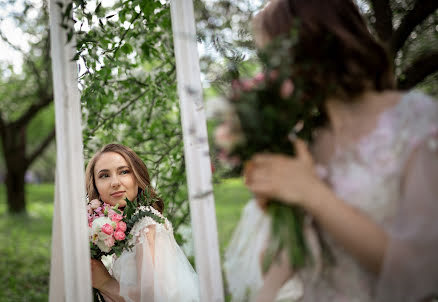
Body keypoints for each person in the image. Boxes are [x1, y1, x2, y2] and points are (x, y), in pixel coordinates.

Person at [233, 0, 438, 301]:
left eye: (275, 57)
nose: (270, 75)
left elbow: (423, 274)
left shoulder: (414, 120)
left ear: (314, 43)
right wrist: (279, 213)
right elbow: (279, 266)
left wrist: (311, 193)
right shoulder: (307, 141)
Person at [85, 144, 200, 302]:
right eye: (104, 175)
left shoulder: (146, 224)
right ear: (96, 186)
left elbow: (153, 298)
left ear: (137, 178)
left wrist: (104, 283)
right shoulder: (123, 227)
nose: (115, 182)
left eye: (124, 172)